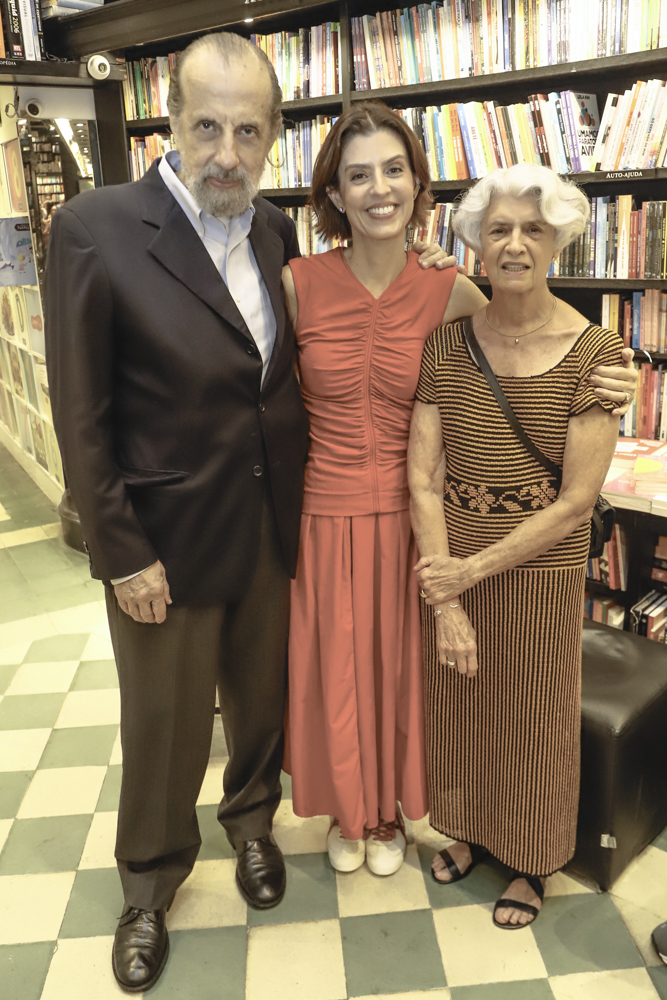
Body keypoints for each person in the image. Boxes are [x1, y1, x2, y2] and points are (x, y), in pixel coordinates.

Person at [43, 33, 454, 994]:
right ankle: (148, 886)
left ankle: (253, 829)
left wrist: (416, 251)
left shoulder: (271, 230)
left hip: (278, 527)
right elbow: (80, 410)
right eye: (207, 127)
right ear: (173, 122)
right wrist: (120, 551)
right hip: (165, 543)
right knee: (167, 726)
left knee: (258, 708)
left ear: (272, 135)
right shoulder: (98, 228)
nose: (226, 151)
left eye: (248, 130)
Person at [282, 112, 637, 879]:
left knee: (417, 680)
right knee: (342, 671)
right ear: (334, 193)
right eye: (357, 174)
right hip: (331, 511)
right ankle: (356, 811)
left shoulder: (450, 289)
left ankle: (407, 820)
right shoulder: (296, 282)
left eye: (393, 170)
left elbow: (524, 346)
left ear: (417, 185)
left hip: (425, 525)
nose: (378, 188)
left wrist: (621, 374)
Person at [408, 163, 627, 929]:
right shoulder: (444, 345)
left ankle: (532, 861)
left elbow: (573, 502)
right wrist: (446, 596)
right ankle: (468, 829)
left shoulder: (598, 355)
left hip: (538, 569)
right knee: (460, 704)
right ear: (473, 241)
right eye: (497, 228)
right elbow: (424, 478)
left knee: (533, 713)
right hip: (452, 553)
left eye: (532, 229)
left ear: (558, 241)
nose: (513, 244)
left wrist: (462, 575)